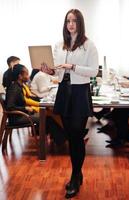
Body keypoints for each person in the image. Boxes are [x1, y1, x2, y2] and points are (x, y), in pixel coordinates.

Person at [45, 9, 98, 198]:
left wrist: (73, 66)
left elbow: (93, 71)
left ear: (80, 23)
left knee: (76, 134)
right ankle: (78, 172)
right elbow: (57, 72)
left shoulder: (88, 45)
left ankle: (75, 176)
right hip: (63, 92)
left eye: (74, 21)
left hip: (79, 92)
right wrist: (49, 71)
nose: (71, 24)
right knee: (71, 135)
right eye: (68, 20)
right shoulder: (59, 45)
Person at [6, 64, 67, 145]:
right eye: (26, 74)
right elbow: (10, 107)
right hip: (18, 117)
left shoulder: (19, 86)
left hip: (23, 115)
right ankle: (66, 138)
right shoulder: (14, 88)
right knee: (49, 116)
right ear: (20, 76)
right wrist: (25, 109)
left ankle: (64, 138)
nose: (29, 76)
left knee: (51, 114)